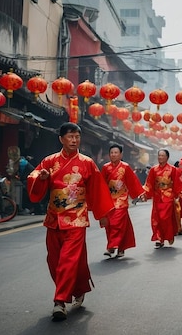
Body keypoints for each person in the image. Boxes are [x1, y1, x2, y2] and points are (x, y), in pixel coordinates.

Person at [27, 122, 114, 321]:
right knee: (54, 261)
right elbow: (33, 177)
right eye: (70, 137)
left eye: (77, 137)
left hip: (76, 219)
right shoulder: (49, 161)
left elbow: (97, 190)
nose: (74, 140)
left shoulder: (87, 163)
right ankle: (79, 287)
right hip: (54, 218)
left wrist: (102, 214)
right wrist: (41, 178)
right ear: (61, 139)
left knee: (68, 260)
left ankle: (59, 301)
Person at [100, 144, 144, 259]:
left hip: (121, 199)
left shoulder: (125, 167)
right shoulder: (105, 167)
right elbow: (101, 184)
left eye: (116, 152)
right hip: (109, 199)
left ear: (121, 154)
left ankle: (111, 246)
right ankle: (121, 247)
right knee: (110, 224)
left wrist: (139, 193)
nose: (113, 155)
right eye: (111, 153)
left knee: (117, 223)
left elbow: (132, 182)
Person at [143, 150, 182, 248]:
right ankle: (159, 238)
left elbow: (177, 183)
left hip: (168, 197)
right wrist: (145, 193)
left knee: (165, 218)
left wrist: (179, 192)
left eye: (163, 155)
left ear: (167, 157)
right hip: (157, 197)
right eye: (159, 155)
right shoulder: (153, 170)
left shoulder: (172, 169)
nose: (160, 157)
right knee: (156, 219)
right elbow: (149, 183)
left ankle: (168, 235)